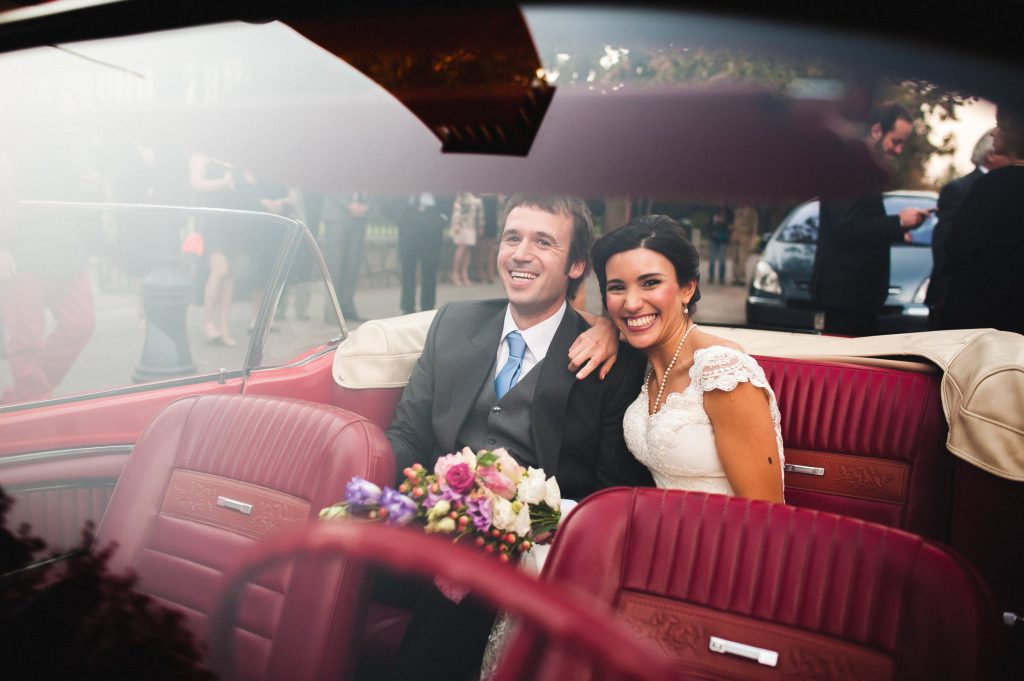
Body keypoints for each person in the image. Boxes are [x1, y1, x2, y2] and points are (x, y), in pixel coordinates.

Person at [384, 195, 653, 681]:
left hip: (533, 553)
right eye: (512, 238)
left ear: (576, 265)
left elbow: (612, 495)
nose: (521, 254)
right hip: (428, 533)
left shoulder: (610, 363)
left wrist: (523, 523)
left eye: (543, 242)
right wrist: (414, 504)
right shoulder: (453, 323)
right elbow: (407, 433)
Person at [592, 214, 784, 501]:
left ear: (687, 289)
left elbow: (766, 509)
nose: (631, 304)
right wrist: (603, 325)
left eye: (650, 283)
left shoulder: (722, 371)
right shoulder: (644, 361)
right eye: (617, 287)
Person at [809, 102, 931, 336]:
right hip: (846, 297)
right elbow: (846, 228)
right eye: (895, 141)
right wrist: (898, 222)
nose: (898, 150)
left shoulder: (860, 167)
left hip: (856, 296)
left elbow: (859, 223)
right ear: (876, 131)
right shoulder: (848, 168)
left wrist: (898, 231)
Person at [936, 103, 1024, 334]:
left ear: (1014, 133)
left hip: (983, 314)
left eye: (998, 125)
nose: (993, 132)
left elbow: (959, 249)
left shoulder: (992, 186)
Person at [926, 128, 1009, 327]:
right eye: (1006, 154)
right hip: (955, 299)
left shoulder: (1003, 187)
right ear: (990, 155)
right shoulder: (962, 189)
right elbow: (945, 245)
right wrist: (944, 295)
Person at [321, 191, 370, 322]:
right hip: (337, 216)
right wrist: (349, 204)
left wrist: (367, 206)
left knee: (352, 267)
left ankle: (347, 307)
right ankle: (332, 311)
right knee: (335, 266)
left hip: (360, 218)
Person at [397, 192, 446, 314]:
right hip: (408, 216)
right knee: (407, 266)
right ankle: (407, 307)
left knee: (430, 267)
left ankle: (427, 308)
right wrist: (398, 216)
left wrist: (443, 217)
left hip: (432, 216)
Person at [448, 191, 483, 287]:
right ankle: (455, 274)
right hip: (462, 225)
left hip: (471, 226)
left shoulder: (473, 195)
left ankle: (464, 274)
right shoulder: (461, 195)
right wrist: (456, 224)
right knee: (461, 248)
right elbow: (457, 209)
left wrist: (480, 225)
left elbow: (479, 210)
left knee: (467, 250)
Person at [729, 203, 759, 286]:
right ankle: (735, 278)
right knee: (735, 259)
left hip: (745, 238)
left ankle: (742, 278)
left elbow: (754, 227)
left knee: (742, 259)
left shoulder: (752, 213)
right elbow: (734, 225)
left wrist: (752, 239)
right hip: (735, 238)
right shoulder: (737, 212)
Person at [707, 204, 732, 285]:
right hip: (713, 239)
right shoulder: (713, 213)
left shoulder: (729, 214)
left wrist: (724, 223)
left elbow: (730, 228)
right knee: (712, 260)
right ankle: (711, 276)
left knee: (722, 260)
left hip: (723, 240)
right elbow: (708, 225)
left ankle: (721, 277)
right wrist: (714, 224)